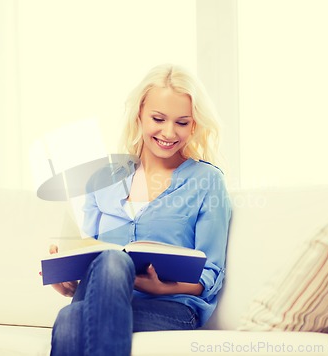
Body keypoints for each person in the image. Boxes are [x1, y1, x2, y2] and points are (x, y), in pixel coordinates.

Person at [49, 63, 232, 356]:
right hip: (97, 297)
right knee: (103, 269)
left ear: (194, 125)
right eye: (158, 118)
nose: (169, 132)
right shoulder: (102, 179)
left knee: (72, 317)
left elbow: (210, 273)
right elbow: (89, 261)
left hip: (169, 308)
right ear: (140, 115)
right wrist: (67, 280)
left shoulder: (207, 182)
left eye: (182, 122)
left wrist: (163, 288)